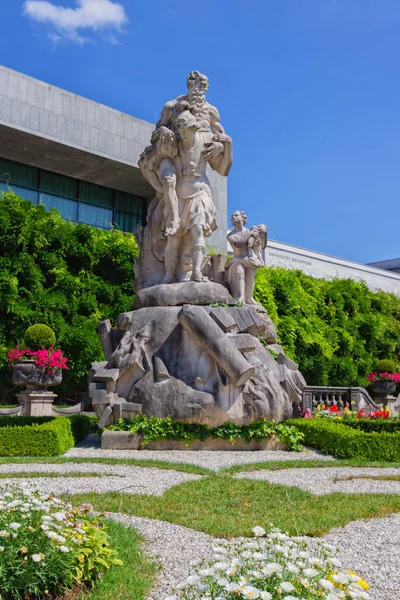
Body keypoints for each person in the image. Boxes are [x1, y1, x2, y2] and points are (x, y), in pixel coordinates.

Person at [226, 211, 267, 304]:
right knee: (239, 270)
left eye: (236, 215)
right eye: (232, 216)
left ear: (242, 218)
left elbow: (254, 247)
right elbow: (238, 244)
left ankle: (249, 298)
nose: (233, 217)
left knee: (250, 276)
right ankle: (241, 296)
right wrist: (250, 234)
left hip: (248, 260)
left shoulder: (249, 231)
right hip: (238, 260)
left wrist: (258, 243)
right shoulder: (230, 235)